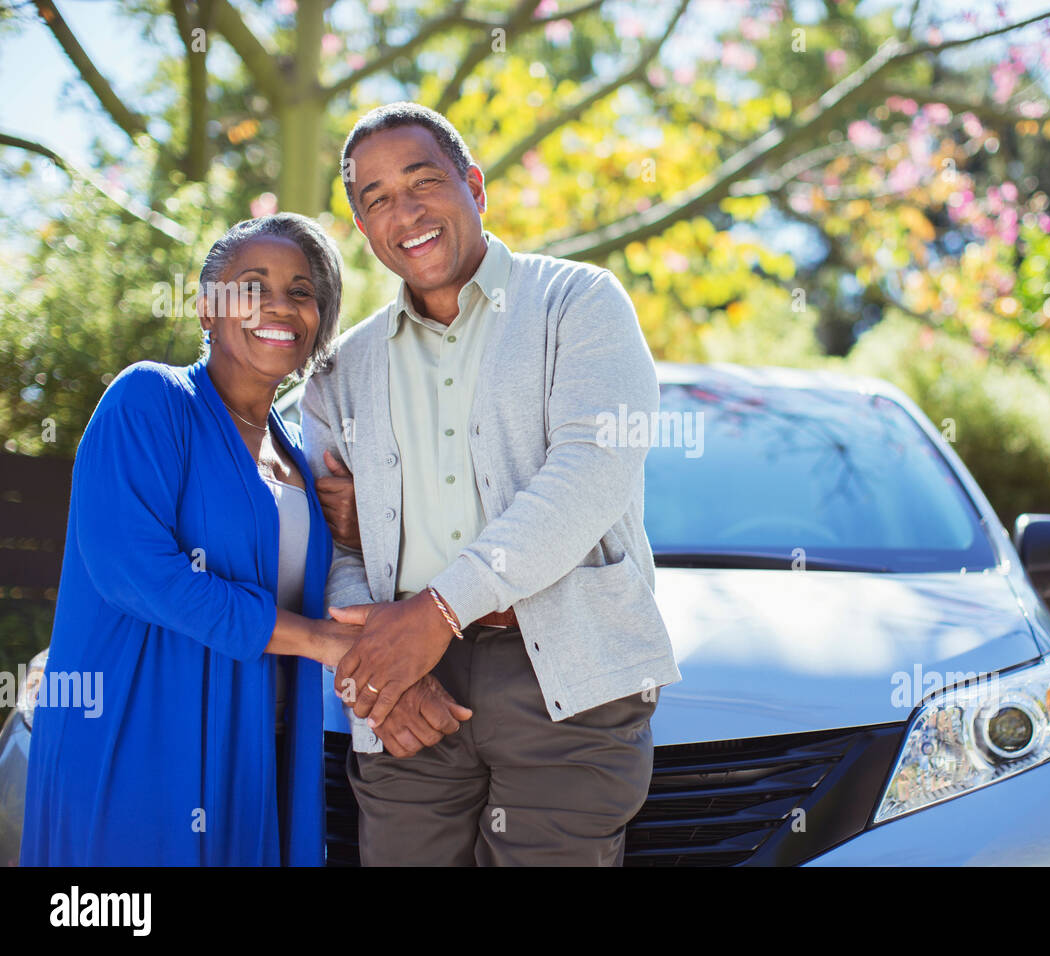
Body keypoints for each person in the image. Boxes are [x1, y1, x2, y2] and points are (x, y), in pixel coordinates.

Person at [303, 102, 682, 866]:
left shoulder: (581, 303)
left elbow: (588, 475)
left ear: (474, 186)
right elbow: (335, 540)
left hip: (567, 674)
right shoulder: (340, 371)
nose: (403, 212)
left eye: (422, 182)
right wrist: (380, 667)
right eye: (375, 199)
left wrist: (438, 610)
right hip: (405, 686)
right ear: (363, 227)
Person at [21, 213, 360, 866]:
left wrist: (348, 531)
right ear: (207, 309)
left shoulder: (296, 457)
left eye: (300, 291)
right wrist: (320, 642)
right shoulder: (150, 400)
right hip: (140, 741)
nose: (279, 306)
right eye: (252, 285)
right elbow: (140, 572)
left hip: (262, 754)